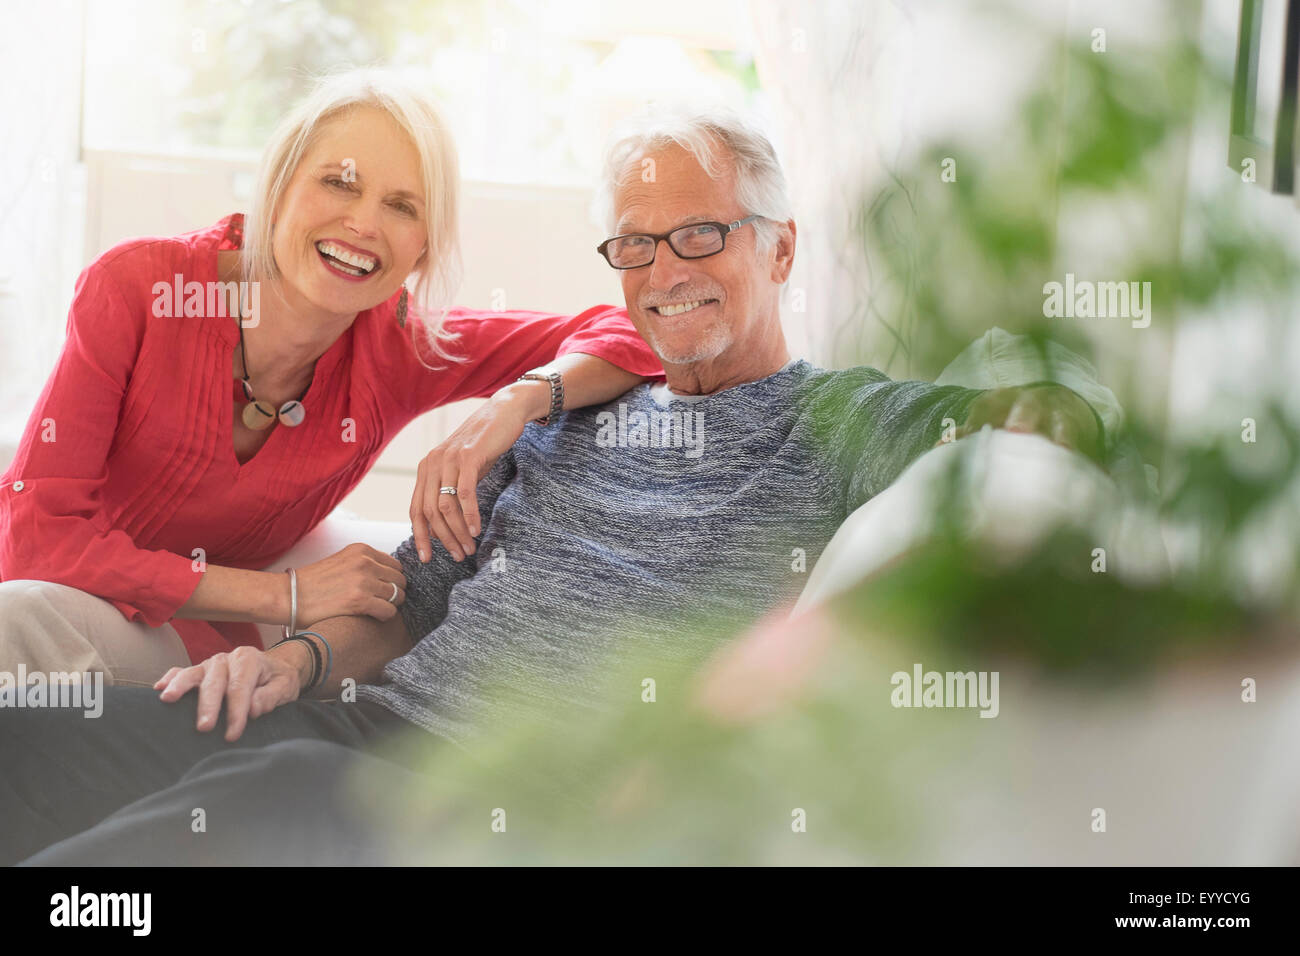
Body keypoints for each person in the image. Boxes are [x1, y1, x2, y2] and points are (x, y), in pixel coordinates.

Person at [0, 106, 1105, 865]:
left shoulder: (847, 418)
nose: (664, 272)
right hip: (365, 727)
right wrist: (290, 659)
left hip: (504, 800)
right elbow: (418, 599)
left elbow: (1049, 406)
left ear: (779, 250)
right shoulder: (582, 408)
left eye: (702, 234)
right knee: (32, 734)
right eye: (634, 246)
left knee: (234, 816)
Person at [0, 69, 661, 685]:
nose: (365, 223)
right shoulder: (140, 290)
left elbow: (633, 330)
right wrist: (285, 596)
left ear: (422, 247)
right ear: (280, 184)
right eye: (339, 183)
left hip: (206, 641)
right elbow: (35, 537)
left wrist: (514, 403)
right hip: (64, 600)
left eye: (403, 206)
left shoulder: (402, 346)